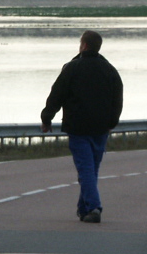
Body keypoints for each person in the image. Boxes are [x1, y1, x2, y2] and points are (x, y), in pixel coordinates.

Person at [40, 29, 123, 224]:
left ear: (84, 45)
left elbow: (57, 94)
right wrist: (112, 122)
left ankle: (94, 207)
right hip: (101, 128)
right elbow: (117, 99)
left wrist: (47, 118)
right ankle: (84, 209)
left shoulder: (72, 68)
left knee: (86, 169)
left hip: (78, 127)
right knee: (91, 169)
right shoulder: (109, 70)